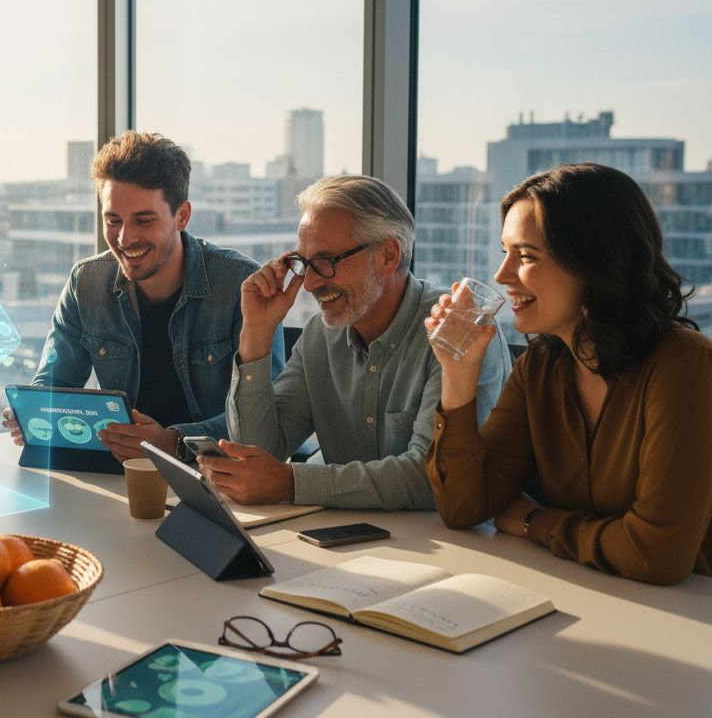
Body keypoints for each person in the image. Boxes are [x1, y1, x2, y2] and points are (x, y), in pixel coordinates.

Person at [424, 163, 712, 584]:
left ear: (593, 261)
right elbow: (464, 508)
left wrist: (534, 521)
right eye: (505, 252)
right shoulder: (542, 366)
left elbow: (656, 554)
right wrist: (458, 373)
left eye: (525, 256)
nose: (502, 276)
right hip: (593, 593)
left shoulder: (685, 367)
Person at [207, 175, 511, 509]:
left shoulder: (457, 330)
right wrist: (257, 332)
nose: (308, 284)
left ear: (388, 255)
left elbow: (431, 479)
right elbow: (255, 454)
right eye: (305, 264)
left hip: (456, 548)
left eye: (326, 262)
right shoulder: (318, 337)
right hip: (350, 542)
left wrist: (291, 483)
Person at [5, 131, 284, 462]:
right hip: (120, 472)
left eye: (144, 220)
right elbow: (55, 383)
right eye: (113, 220)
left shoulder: (240, 285)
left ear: (182, 215)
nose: (124, 238)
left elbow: (266, 416)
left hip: (214, 474)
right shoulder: (86, 282)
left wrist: (173, 441)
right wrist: (33, 411)